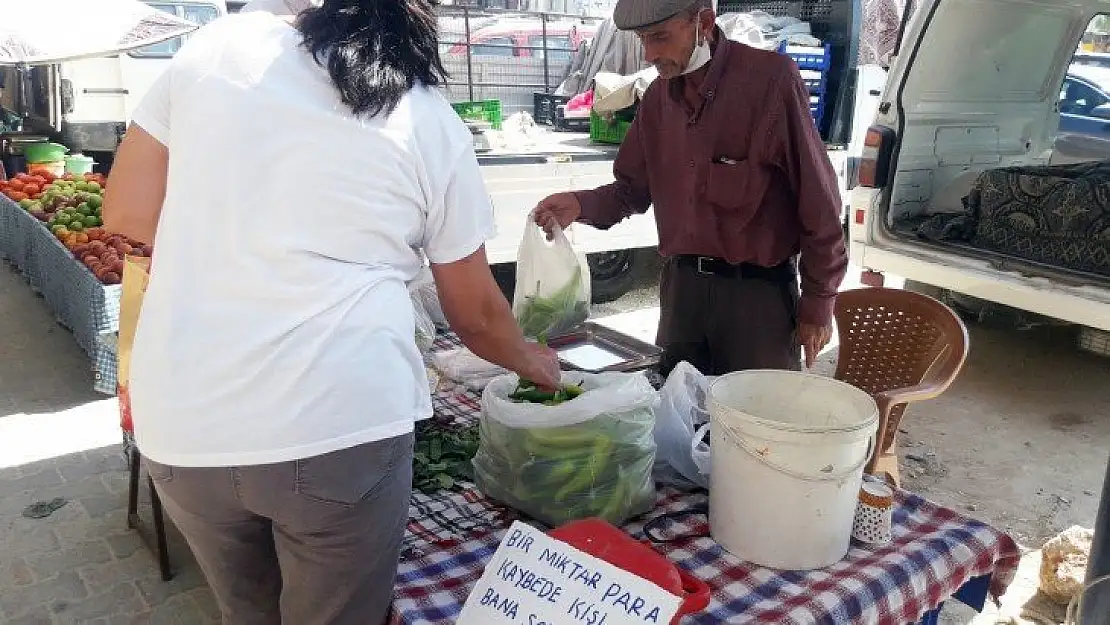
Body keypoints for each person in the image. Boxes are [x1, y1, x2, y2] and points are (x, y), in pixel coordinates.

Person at [101, 0, 561, 623]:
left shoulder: (217, 47)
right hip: (339, 424)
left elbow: (126, 212)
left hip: (183, 423)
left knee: (247, 611)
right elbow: (476, 312)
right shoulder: (426, 116)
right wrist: (529, 359)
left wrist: (229, 230)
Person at [534, 0, 848, 376]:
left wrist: (819, 298)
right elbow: (630, 192)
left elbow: (819, 200)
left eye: (661, 37)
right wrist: (578, 205)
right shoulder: (656, 100)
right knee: (677, 414)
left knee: (753, 423)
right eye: (642, 40)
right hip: (682, 295)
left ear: (704, 22)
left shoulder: (771, 81)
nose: (649, 54)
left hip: (756, 301)